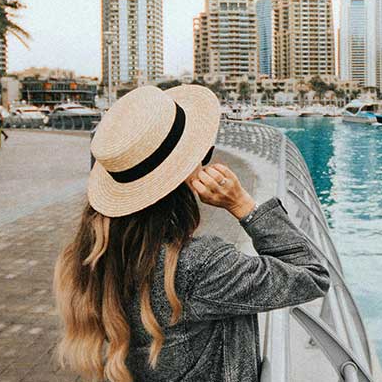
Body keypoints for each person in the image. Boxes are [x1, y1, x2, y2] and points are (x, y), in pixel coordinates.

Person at [54, 84, 329, 382]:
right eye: (202, 154)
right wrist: (242, 204)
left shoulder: (92, 255)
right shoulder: (199, 264)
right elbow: (312, 275)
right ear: (184, 177)